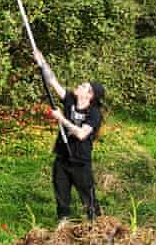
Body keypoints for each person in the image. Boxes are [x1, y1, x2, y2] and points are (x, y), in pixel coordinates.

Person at [33, 49, 105, 222]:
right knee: (61, 195)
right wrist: (42, 62)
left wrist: (61, 119)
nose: (80, 85)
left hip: (80, 161)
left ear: (90, 95)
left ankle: (96, 227)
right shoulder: (70, 99)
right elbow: (52, 81)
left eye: (84, 86)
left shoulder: (94, 113)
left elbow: (81, 134)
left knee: (88, 199)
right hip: (63, 158)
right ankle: (63, 226)